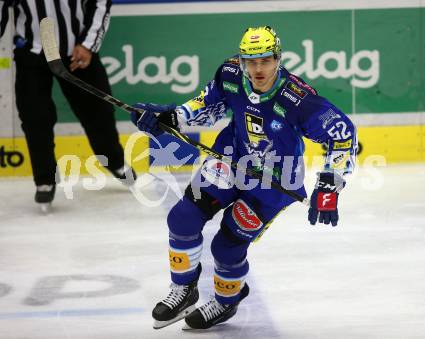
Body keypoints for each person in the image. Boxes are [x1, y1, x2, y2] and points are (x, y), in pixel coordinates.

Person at [131, 26, 357, 330]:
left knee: (226, 247)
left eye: (265, 60)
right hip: (230, 160)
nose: (258, 69)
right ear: (242, 60)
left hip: (273, 182)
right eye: (251, 61)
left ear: (278, 59)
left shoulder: (297, 99)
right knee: (182, 218)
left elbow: (342, 135)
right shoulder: (231, 74)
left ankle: (227, 301)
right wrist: (170, 117)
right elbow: (207, 106)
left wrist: (329, 186)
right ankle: (184, 289)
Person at [0, 0, 136, 210]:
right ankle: (45, 179)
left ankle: (114, 160)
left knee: (98, 113)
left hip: (77, 52)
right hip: (31, 51)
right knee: (35, 117)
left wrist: (88, 45)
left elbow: (101, 2)